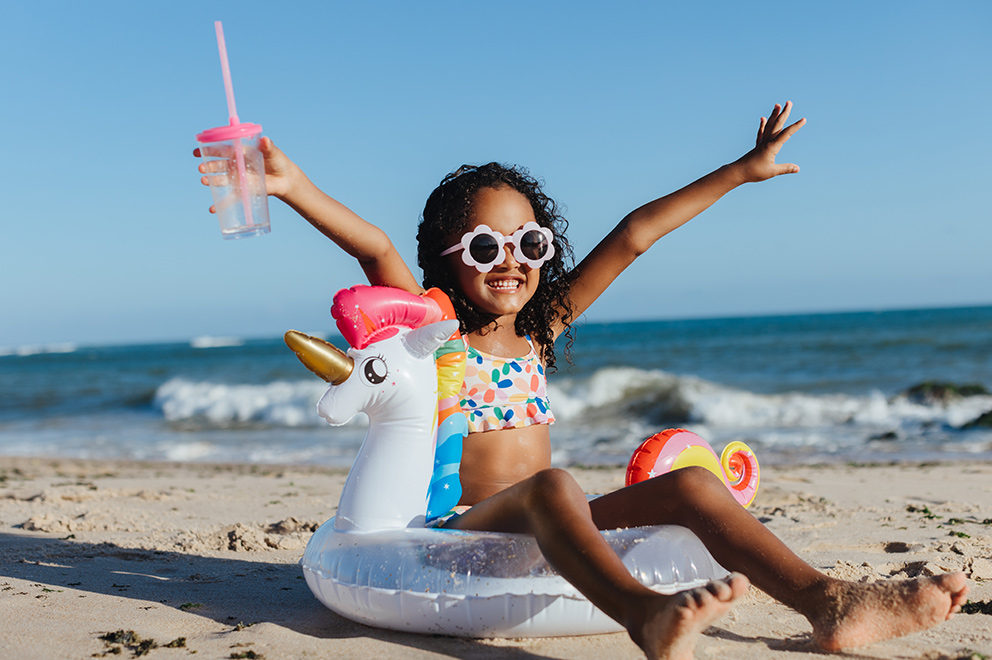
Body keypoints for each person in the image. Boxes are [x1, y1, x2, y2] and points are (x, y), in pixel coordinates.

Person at [195, 102, 968, 660]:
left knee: (697, 488)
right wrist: (290, 186)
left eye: (528, 241)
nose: (512, 260)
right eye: (486, 245)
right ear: (443, 261)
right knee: (556, 486)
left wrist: (741, 170)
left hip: (554, 518)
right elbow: (373, 248)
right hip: (456, 531)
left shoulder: (539, 328)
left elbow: (635, 235)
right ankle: (643, 614)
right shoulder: (432, 329)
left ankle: (828, 603)